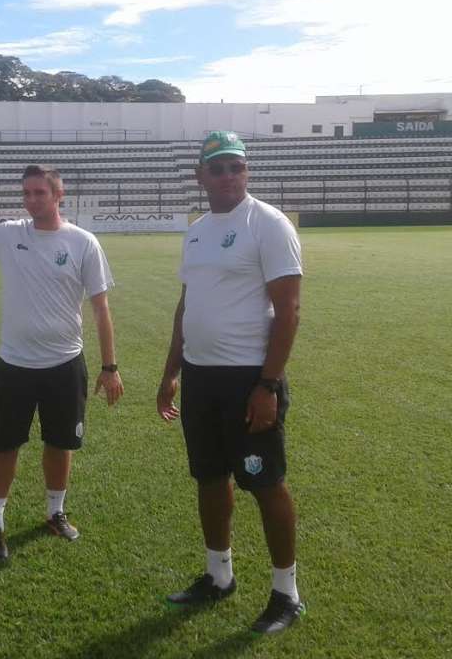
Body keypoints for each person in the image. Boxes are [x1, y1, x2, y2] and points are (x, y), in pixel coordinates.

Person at [156, 131, 305, 635]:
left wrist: (268, 384)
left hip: (249, 380)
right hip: (200, 377)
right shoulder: (196, 230)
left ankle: (286, 593)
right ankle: (219, 576)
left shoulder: (268, 224)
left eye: (235, 166)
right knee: (210, 478)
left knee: (265, 483)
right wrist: (171, 371)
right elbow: (186, 304)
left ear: (246, 171)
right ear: (201, 175)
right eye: (216, 167)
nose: (227, 175)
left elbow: (289, 311)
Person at [0, 164, 124, 560]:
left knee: (60, 444)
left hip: (65, 364)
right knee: (4, 446)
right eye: (26, 193)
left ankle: (55, 512)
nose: (31, 200)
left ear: (59, 195)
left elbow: (101, 308)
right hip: (14, 365)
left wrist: (110, 368)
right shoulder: (9, 234)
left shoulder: (83, 243)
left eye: (40, 192)